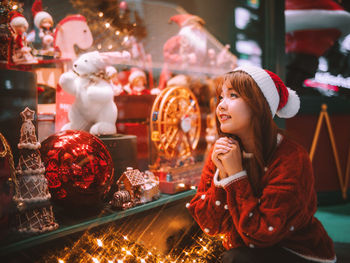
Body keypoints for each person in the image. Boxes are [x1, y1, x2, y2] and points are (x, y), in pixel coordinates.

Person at [186, 65, 336, 263]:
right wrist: (222, 175)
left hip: (299, 252)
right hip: (246, 245)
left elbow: (262, 233)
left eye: (233, 95)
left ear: (259, 105)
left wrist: (235, 176)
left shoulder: (292, 158)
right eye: (221, 97)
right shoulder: (224, 150)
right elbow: (210, 226)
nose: (221, 105)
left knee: (236, 258)